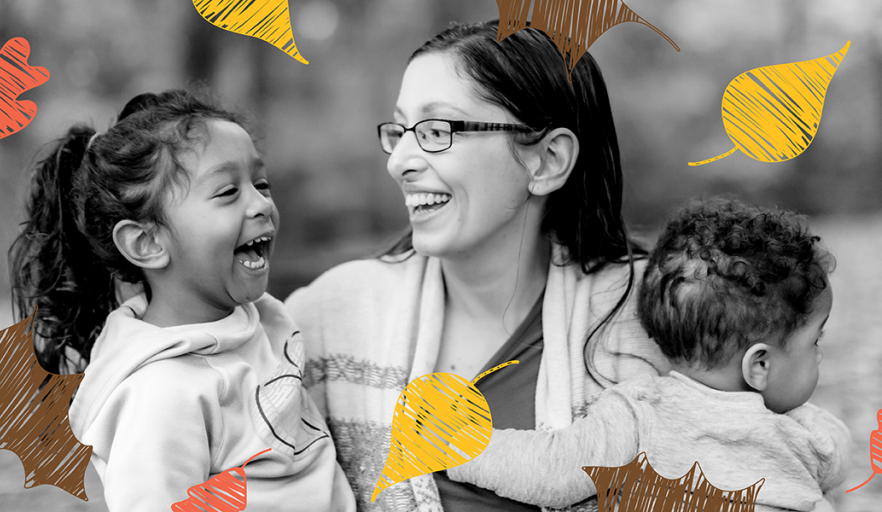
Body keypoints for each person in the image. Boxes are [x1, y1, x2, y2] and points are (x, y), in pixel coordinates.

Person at [285, 20, 670, 512]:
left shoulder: (653, 321)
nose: (399, 160)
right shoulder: (327, 318)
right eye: (400, 131)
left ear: (547, 160)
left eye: (436, 130)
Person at [8, 90, 355, 512]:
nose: (262, 203)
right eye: (228, 191)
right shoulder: (162, 396)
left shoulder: (256, 318)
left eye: (261, 183)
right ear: (147, 242)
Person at [446, 198, 850, 512]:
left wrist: (461, 446)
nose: (818, 355)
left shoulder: (639, 413)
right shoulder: (809, 430)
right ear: (758, 365)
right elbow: (835, 465)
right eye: (814, 341)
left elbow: (552, 469)